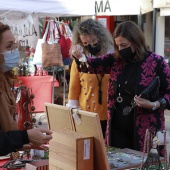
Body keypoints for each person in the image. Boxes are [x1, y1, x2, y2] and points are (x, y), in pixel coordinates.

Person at [72, 21, 170, 156]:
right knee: (117, 162)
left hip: (145, 128)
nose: (120, 48)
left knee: (142, 164)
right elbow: (90, 66)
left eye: (124, 45)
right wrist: (80, 57)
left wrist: (154, 104)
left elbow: (169, 91)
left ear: (136, 42)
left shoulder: (156, 62)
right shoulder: (116, 59)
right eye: (117, 45)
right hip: (116, 127)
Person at [0, 23, 53, 155]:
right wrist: (26, 137)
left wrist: (23, 143)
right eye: (9, 46)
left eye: (14, 45)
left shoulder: (4, 81)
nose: (14, 50)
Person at [67, 18, 114, 138]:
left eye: (93, 41)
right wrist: (73, 113)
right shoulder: (80, 61)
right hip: (87, 114)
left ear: (101, 37)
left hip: (111, 114)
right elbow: (74, 89)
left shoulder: (112, 57)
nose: (91, 46)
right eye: (86, 43)